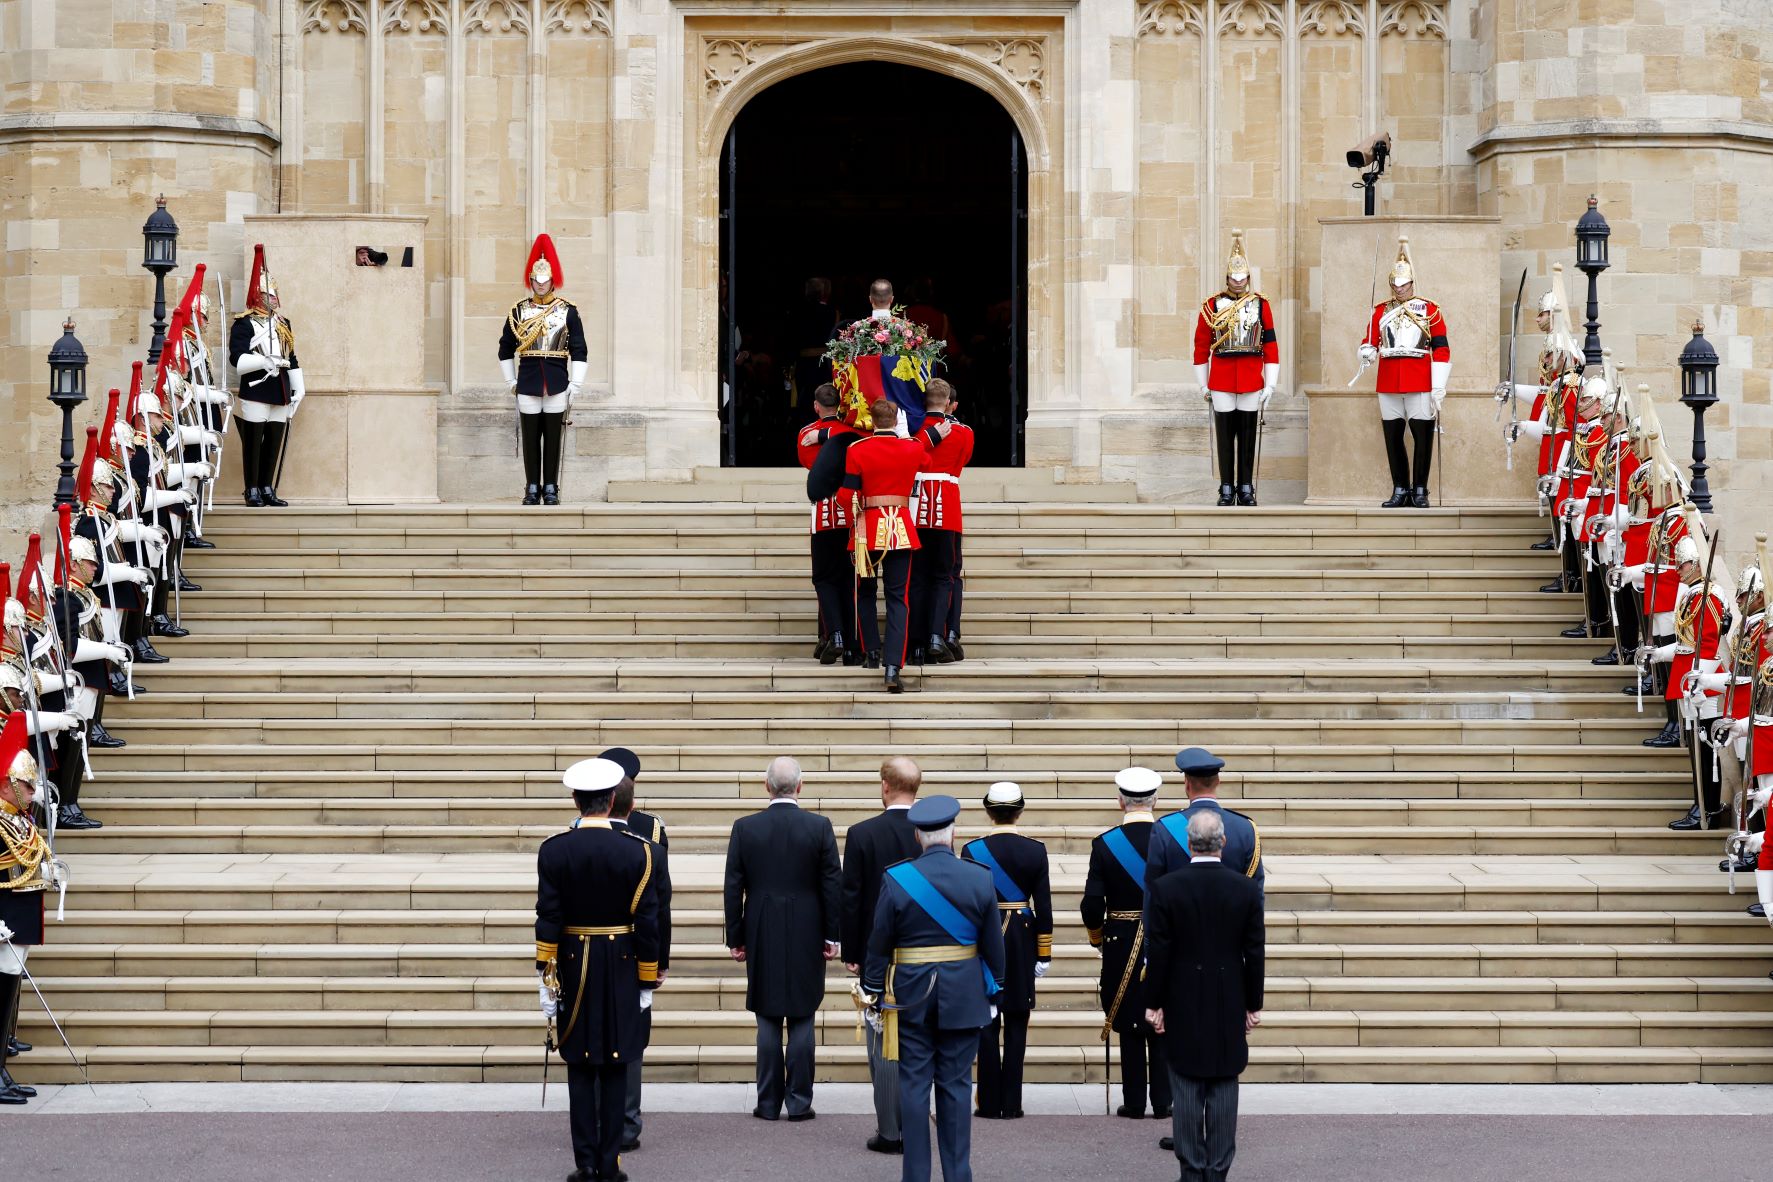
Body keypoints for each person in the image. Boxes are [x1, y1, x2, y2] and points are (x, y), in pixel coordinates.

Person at [859, 794, 1005, 1182]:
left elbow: (879, 944)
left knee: (913, 1087)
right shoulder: (979, 876)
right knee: (956, 1089)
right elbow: (994, 946)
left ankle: (916, 1176)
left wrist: (872, 992)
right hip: (964, 995)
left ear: (918, 837)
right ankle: (957, 1175)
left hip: (910, 998)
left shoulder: (896, 878)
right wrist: (996, 991)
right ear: (953, 833)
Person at [535, 757, 663, 1182]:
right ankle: (610, 1164)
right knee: (615, 1062)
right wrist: (647, 980)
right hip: (623, 966)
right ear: (612, 801)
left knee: (580, 1065)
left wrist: (545, 975)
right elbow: (648, 922)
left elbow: (548, 917)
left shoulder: (554, 849)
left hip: (572, 964)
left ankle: (586, 1163)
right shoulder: (641, 851)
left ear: (576, 800)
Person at [1143, 810, 1265, 1182]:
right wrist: (1253, 1004)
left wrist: (1154, 1001)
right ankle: (1217, 1171)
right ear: (1223, 844)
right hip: (1229, 995)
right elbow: (1255, 949)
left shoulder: (1167, 888)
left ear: (1189, 843)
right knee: (1225, 1083)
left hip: (1181, 995)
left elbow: (1159, 950)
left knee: (1185, 1081)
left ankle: (1192, 1169)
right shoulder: (1244, 888)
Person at [724, 756, 841, 1122]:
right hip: (808, 924)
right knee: (804, 1013)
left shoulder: (745, 827)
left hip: (761, 925)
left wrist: (735, 936)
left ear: (767, 786)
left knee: (767, 1015)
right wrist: (833, 934)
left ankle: (769, 1102)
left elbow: (733, 887)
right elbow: (832, 885)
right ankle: (800, 1102)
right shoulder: (819, 826)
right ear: (800, 787)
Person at [840, 755, 923, 1155]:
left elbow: (852, 898)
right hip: (927, 953)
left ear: (885, 787)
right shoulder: (933, 831)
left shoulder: (862, 832)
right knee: (920, 1044)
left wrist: (852, 953)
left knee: (882, 1045)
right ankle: (916, 1125)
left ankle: (890, 1130)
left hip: (880, 956)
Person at [1082, 766, 1170, 1122]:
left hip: (1119, 939)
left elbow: (1091, 905)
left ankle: (1134, 1101)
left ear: (1121, 801)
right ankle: (1163, 1101)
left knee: (1128, 1019)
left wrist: (1098, 937)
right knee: (1162, 1017)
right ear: (1156, 800)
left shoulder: (1105, 845)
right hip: (1163, 939)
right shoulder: (1172, 841)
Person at [845, 399, 950, 691]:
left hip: (868, 529)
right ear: (896, 421)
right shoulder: (912, 447)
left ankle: (871, 652)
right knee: (897, 600)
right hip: (900, 529)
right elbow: (926, 462)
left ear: (872, 420)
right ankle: (893, 667)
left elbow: (846, 495)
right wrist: (908, 438)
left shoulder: (857, 450)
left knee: (865, 593)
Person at [961, 781, 1051, 1121]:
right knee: (1017, 1022)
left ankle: (988, 1101)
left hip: (985, 941)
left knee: (986, 1022)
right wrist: (1044, 953)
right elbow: (1044, 906)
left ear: (987, 811)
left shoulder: (972, 850)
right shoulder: (1035, 850)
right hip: (1023, 941)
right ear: (1021, 809)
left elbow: (968, 906)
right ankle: (1012, 1103)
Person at [603, 747, 670, 1155]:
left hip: (585, 953)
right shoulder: (651, 830)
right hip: (632, 951)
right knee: (630, 1039)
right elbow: (658, 906)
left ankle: (598, 1120)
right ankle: (626, 1122)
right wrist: (658, 960)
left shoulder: (574, 833)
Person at [1, 712, 66, 1104]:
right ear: (9, 785)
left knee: (8, 991)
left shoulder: (20, 821)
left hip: (21, 913)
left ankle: (2, 1073)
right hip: (5, 915)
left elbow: (30, 859)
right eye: (26, 784)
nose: (31, 790)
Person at [1357, 235, 1449, 508]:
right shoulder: (1379, 311)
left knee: (1422, 437)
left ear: (1412, 283)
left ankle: (1420, 488)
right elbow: (1369, 341)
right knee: (1393, 437)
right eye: (1395, 285)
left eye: (1404, 284)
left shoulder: (1430, 309)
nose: (1399, 289)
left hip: (1420, 379)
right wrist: (1366, 351)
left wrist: (1438, 384)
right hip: (1388, 381)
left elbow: (1441, 348)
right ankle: (1400, 487)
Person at [499, 233, 588, 506]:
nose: (540, 285)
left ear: (552, 280)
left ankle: (550, 486)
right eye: (536, 281)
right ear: (531, 281)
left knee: (552, 437)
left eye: (545, 280)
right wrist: (510, 380)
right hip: (527, 380)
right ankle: (532, 486)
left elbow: (580, 349)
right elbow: (505, 348)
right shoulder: (518, 311)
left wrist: (576, 384)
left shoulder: (568, 311)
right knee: (529, 437)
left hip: (556, 380)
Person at [1195, 230, 1278, 507]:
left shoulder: (1261, 304)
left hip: (1251, 377)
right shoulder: (1211, 305)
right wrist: (1203, 383)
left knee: (1247, 435)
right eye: (1234, 278)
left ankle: (1245, 486)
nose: (1238, 283)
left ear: (1249, 279)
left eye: (1243, 279)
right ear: (1227, 277)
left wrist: (1271, 383)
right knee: (1224, 435)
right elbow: (1200, 347)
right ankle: (1226, 487)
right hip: (1221, 378)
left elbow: (1271, 345)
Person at [228, 243, 305, 508]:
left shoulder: (284, 324)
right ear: (258, 296)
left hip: (280, 388)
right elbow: (237, 358)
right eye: (269, 295)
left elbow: (291, 357)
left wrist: (299, 387)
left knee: (274, 440)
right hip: (257, 387)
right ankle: (251, 489)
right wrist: (263, 360)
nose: (275, 299)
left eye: (275, 295)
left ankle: (267, 487)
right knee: (253, 442)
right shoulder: (244, 323)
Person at [798, 384, 866, 665]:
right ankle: (852, 644)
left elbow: (806, 460)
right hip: (849, 515)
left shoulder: (807, 434)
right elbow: (859, 439)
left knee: (825, 579)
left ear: (816, 406)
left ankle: (834, 634)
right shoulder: (851, 433)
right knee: (849, 581)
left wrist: (822, 435)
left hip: (824, 516)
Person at [1145, 748, 1264, 903]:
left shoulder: (1163, 829)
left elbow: (1152, 893)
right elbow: (1256, 893)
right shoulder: (1246, 829)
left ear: (1187, 784)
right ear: (1218, 782)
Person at [910, 381, 972, 666]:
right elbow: (959, 463)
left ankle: (918, 643)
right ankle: (938, 636)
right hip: (946, 509)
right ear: (948, 401)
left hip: (915, 509)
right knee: (944, 577)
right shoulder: (963, 432)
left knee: (918, 578)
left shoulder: (912, 429)